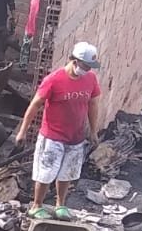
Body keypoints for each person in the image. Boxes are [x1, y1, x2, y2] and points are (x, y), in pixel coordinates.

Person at [15, 42, 102, 221]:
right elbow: (35, 105)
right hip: (53, 136)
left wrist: (93, 131)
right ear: (75, 61)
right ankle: (36, 205)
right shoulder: (54, 80)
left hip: (76, 137)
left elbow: (92, 105)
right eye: (85, 66)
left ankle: (60, 205)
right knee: (46, 172)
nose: (87, 70)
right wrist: (23, 131)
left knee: (67, 173)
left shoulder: (90, 79)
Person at [19, 0, 45, 71]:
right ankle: (23, 66)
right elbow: (30, 9)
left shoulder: (45, 1)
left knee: (34, 50)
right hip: (29, 26)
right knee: (25, 47)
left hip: (36, 29)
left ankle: (31, 69)